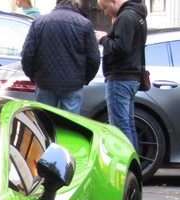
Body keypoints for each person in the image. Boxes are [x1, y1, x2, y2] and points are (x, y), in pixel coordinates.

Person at [21, 0, 100, 114]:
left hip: (45, 81)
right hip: (73, 83)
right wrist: (84, 79)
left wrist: (35, 77)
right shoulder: (85, 24)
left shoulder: (39, 22)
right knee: (70, 125)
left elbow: (27, 55)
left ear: (57, 2)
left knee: (43, 124)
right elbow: (93, 58)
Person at [95, 0, 148, 151]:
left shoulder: (125, 17)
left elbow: (122, 49)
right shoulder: (138, 15)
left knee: (119, 127)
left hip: (120, 78)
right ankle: (133, 167)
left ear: (114, 1)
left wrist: (103, 39)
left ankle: (126, 169)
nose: (105, 12)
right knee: (128, 124)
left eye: (106, 8)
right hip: (131, 77)